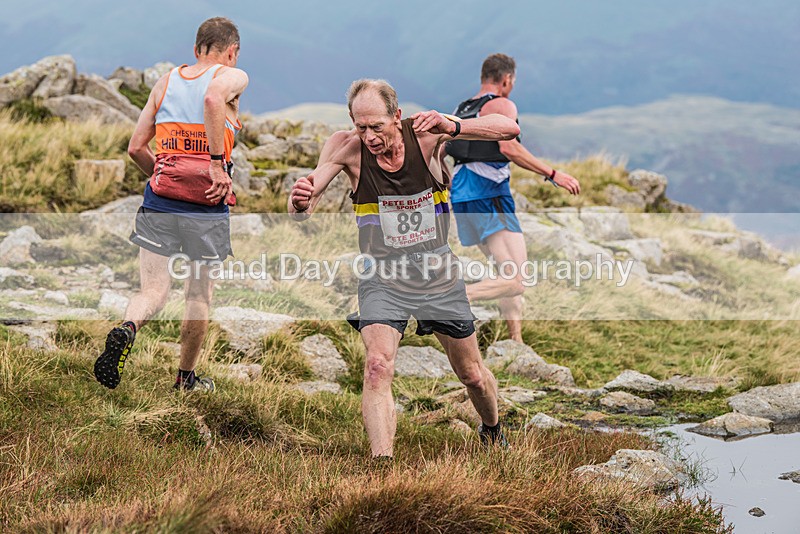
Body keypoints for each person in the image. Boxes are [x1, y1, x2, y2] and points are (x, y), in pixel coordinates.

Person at [288, 79, 520, 458]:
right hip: (383, 276)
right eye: (361, 127)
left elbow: (509, 130)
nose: (369, 136)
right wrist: (299, 202)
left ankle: (492, 430)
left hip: (437, 274)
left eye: (377, 127)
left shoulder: (427, 134)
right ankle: (383, 465)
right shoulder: (346, 147)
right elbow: (304, 203)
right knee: (377, 366)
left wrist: (454, 126)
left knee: (473, 376)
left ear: (397, 116)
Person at [93, 17, 248, 392]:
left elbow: (135, 147)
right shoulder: (233, 76)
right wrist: (214, 164)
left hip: (160, 202)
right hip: (205, 208)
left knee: (152, 291)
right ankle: (185, 379)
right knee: (198, 295)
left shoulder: (166, 81)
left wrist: (163, 179)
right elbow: (212, 97)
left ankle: (127, 328)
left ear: (196, 50)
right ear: (232, 52)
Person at [446, 53, 580, 342]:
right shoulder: (502, 103)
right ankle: (452, 299)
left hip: (463, 192)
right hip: (488, 192)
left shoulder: (463, 108)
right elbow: (508, 148)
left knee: (504, 273)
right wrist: (553, 173)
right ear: (506, 80)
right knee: (515, 280)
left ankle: (515, 343)